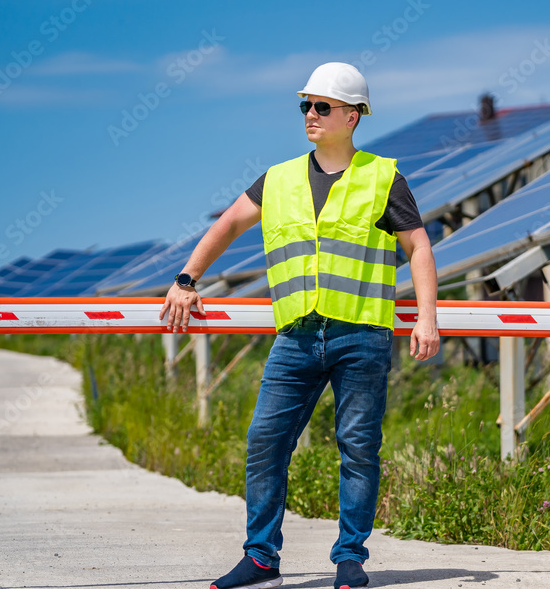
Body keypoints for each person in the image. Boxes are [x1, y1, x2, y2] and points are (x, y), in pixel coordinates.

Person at [159, 61, 440, 589]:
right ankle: (261, 556)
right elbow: (227, 225)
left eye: (323, 106)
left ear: (353, 116)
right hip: (296, 336)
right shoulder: (279, 178)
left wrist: (426, 316)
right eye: (305, 105)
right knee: (264, 440)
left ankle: (350, 560)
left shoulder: (383, 177)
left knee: (358, 447)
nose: (310, 114)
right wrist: (186, 278)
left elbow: (419, 247)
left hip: (363, 334)